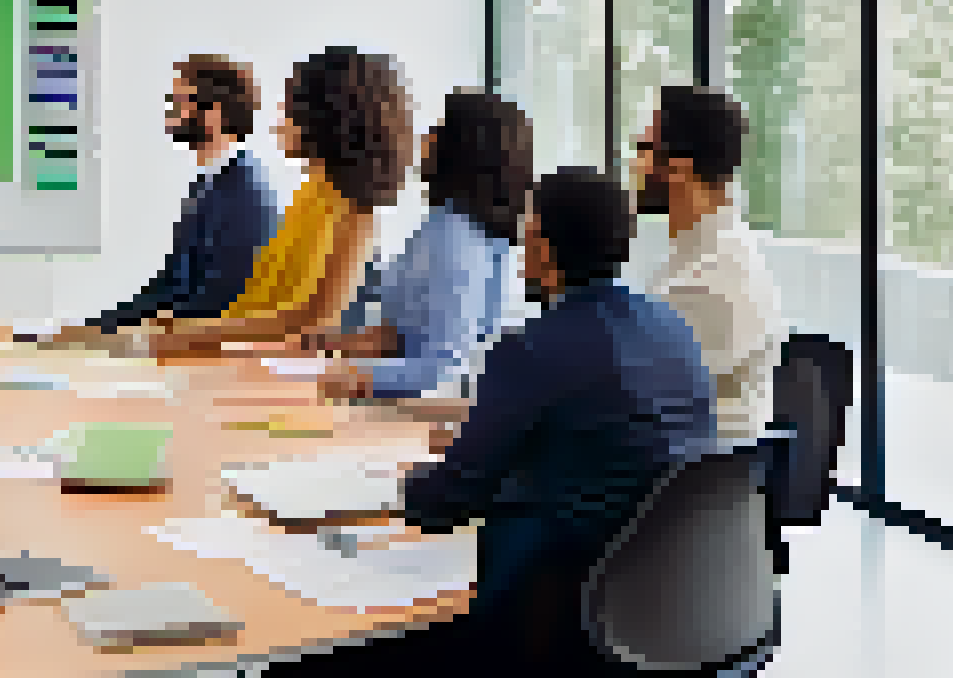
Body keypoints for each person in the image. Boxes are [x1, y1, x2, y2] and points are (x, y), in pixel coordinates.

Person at [259, 168, 715, 675]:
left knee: (311, 654)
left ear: (542, 245)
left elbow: (445, 502)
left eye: (528, 230)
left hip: (552, 612)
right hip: (669, 609)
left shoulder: (532, 350)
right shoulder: (677, 333)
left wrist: (393, 484)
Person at [160, 46, 414, 350]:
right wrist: (185, 330)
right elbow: (261, 302)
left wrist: (189, 334)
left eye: (290, 107)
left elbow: (311, 323)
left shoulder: (355, 211)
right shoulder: (311, 192)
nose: (279, 119)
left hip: (276, 369)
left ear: (327, 119)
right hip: (242, 355)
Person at [306, 89, 531, 401]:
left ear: (462, 150)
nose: (425, 139)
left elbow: (443, 369)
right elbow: (403, 331)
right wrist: (327, 346)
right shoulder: (451, 227)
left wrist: (342, 376)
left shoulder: (456, 240)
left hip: (414, 418)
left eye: (438, 130)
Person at [52, 55, 280, 338]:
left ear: (214, 113)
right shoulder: (207, 185)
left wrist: (132, 332)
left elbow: (221, 300)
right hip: (180, 340)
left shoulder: (246, 195)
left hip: (208, 350)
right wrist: (91, 329)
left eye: (180, 103)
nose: (171, 113)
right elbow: (168, 287)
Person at [632, 85, 785, 441]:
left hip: (674, 484)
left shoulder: (709, 279)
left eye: (643, 149)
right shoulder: (708, 255)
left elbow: (625, 399)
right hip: (684, 474)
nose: (633, 164)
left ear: (679, 168)